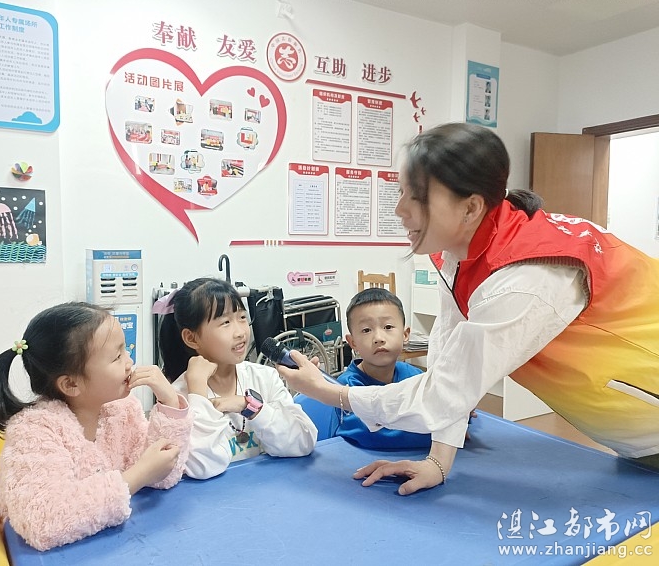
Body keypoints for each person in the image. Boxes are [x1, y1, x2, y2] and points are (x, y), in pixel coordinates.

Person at [277, 122, 659, 496]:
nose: (399, 210)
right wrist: (438, 461)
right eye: (401, 192)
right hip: (634, 437)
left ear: (471, 207)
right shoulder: (460, 255)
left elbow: (442, 394)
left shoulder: (529, 277)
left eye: (417, 197)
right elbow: (449, 365)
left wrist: (330, 392)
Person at [0, 302, 193, 551]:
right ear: (71, 384)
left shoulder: (122, 409)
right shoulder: (34, 431)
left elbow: (162, 475)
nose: (129, 362)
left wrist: (170, 403)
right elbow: (45, 523)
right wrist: (139, 475)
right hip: (10, 553)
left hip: (96, 546)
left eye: (125, 350)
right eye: (117, 357)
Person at [157, 277, 317, 479]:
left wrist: (250, 407)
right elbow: (205, 467)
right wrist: (198, 393)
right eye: (225, 322)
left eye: (242, 317)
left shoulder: (264, 377)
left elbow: (304, 442)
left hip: (270, 489)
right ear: (191, 338)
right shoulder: (178, 397)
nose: (240, 332)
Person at [334, 287, 431, 449]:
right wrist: (440, 432)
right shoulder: (346, 386)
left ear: (405, 335)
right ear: (353, 342)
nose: (378, 338)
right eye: (366, 330)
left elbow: (440, 405)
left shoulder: (414, 375)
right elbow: (376, 436)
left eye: (388, 327)